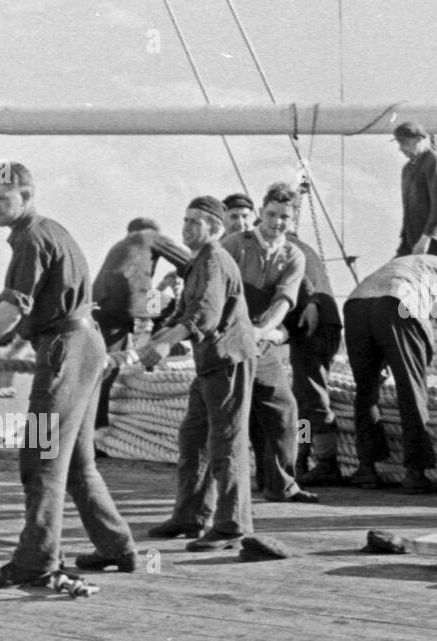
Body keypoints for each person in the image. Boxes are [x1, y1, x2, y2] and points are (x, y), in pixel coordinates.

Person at [0, 161, 137, 586]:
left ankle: (36, 562)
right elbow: (41, 311)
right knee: (76, 463)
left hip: (64, 354)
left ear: (27, 197)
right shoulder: (50, 231)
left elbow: (11, 308)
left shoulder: (31, 240)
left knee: (39, 458)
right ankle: (119, 547)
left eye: (3, 200)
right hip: (83, 347)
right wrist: (13, 353)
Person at [141, 196, 258, 551]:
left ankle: (232, 525)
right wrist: (152, 341)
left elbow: (205, 313)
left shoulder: (215, 260)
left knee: (226, 443)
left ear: (215, 228)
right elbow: (181, 313)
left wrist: (164, 345)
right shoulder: (196, 264)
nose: (186, 228)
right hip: (209, 364)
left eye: (195, 222)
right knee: (193, 439)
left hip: (229, 361)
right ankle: (190, 515)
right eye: (185, 220)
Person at [220, 184, 319, 504]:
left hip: (262, 342)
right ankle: (220, 492)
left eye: (285, 217)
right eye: (272, 214)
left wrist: (264, 333)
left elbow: (284, 300)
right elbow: (217, 292)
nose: (277, 222)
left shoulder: (293, 254)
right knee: (225, 417)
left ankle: (281, 484)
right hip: (226, 340)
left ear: (293, 221)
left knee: (284, 410)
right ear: (261, 212)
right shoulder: (234, 244)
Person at [343, 254, 437, 494]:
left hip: (355, 306)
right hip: (398, 303)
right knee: (411, 388)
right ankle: (416, 472)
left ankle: (364, 468)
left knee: (365, 391)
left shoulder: (403, 264)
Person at [90, 217, 190, 429]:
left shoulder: (121, 247)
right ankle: (156, 353)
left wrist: (161, 284)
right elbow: (192, 262)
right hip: (129, 303)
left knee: (107, 368)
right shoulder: (148, 235)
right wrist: (181, 272)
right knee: (174, 307)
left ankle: (96, 427)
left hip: (103, 306)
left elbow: (135, 283)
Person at [285, 231, 345, 485]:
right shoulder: (303, 247)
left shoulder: (284, 247)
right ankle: (302, 458)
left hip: (313, 321)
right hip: (324, 321)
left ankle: (327, 463)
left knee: (312, 396)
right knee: (302, 399)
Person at [394, 121, 437, 266]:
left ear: (419, 139)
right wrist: (405, 245)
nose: (401, 148)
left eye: (404, 142)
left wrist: (426, 240)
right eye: (399, 143)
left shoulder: (436, 164)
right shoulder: (407, 169)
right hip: (416, 241)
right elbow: (410, 212)